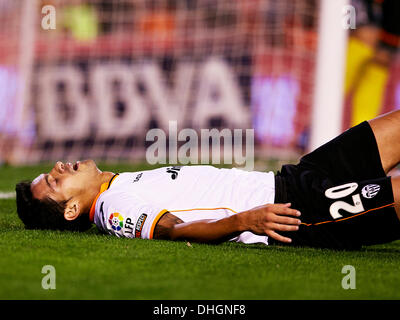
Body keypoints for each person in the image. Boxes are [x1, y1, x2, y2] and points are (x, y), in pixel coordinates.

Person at [16, 111, 400, 250]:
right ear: (71, 210)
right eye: (53, 181)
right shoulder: (111, 209)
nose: (60, 167)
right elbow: (174, 231)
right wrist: (244, 221)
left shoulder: (116, 183)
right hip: (296, 213)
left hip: (294, 176)